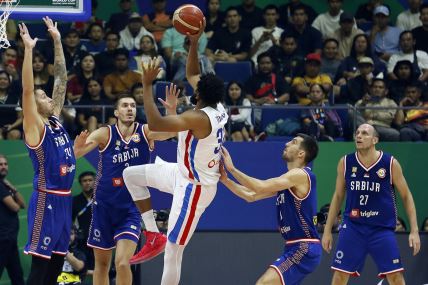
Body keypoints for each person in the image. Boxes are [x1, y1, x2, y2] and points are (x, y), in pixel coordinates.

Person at [122, 19, 228, 285]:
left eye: (196, 88)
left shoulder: (199, 118)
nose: (193, 86)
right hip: (180, 173)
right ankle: (151, 233)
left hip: (195, 188)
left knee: (174, 250)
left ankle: (162, 241)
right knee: (131, 175)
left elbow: (156, 124)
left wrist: (147, 85)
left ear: (200, 95)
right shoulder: (216, 104)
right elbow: (194, 73)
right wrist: (194, 43)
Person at [73, 92, 178, 284]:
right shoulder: (105, 133)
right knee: (102, 265)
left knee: (122, 263)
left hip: (130, 209)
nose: (130, 108)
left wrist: (171, 111)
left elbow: (171, 132)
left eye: (132, 105)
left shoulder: (145, 131)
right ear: (116, 112)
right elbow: (77, 154)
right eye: (125, 105)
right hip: (103, 207)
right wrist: (77, 148)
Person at [322, 123, 421, 284]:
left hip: (381, 229)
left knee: (395, 277)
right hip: (353, 228)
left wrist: (414, 230)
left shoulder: (390, 163)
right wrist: (327, 230)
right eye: (357, 133)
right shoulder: (345, 162)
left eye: (365, 133)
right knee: (339, 276)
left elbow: (406, 196)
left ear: (375, 139)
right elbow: (338, 196)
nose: (359, 136)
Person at [19, 18, 78, 285]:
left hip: (65, 200)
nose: (47, 97)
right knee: (40, 270)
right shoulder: (34, 125)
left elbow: (62, 78)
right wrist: (29, 49)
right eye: (42, 96)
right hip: (47, 199)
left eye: (46, 96)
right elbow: (28, 89)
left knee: (55, 268)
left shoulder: (54, 117)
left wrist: (56, 40)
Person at [220, 134, 321, 285]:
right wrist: (225, 180)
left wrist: (232, 169)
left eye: (293, 142)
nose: (286, 143)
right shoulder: (287, 180)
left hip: (304, 246)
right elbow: (251, 195)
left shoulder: (301, 175)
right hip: (293, 246)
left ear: (301, 153)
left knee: (263, 283)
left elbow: (259, 186)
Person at [0, 154, 25, 285]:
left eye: (5, 164)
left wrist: (12, 188)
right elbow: (15, 207)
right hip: (2, 239)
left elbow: (23, 204)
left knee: (17, 275)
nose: (3, 167)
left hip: (10, 239)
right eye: (0, 165)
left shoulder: (5, 185)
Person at [72, 171, 96, 277]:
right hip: (82, 243)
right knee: (82, 272)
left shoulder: (101, 199)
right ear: (81, 183)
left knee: (101, 271)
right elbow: (69, 222)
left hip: (99, 242)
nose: (87, 183)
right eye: (84, 181)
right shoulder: (74, 201)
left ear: (95, 182)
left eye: (90, 180)